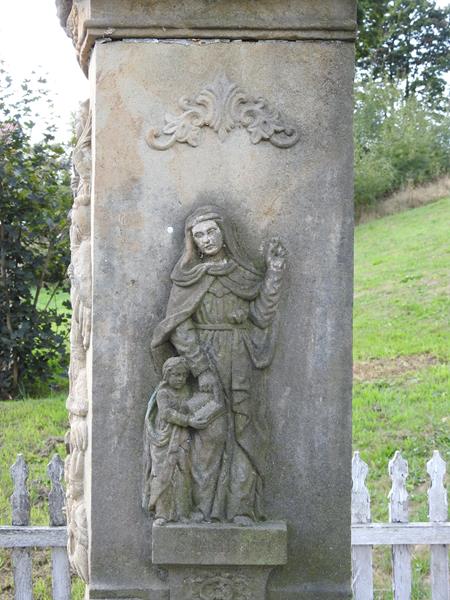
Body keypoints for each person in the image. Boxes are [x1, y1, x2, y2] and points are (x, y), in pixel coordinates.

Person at [151, 206, 287, 524]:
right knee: (207, 435)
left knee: (245, 430)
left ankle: (241, 508)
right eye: (199, 235)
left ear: (224, 233)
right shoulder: (187, 278)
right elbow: (179, 326)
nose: (207, 239)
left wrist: (274, 273)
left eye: (211, 231)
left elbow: (261, 316)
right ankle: (201, 508)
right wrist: (201, 369)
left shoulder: (243, 275)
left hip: (240, 361)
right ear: (192, 242)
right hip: (204, 361)